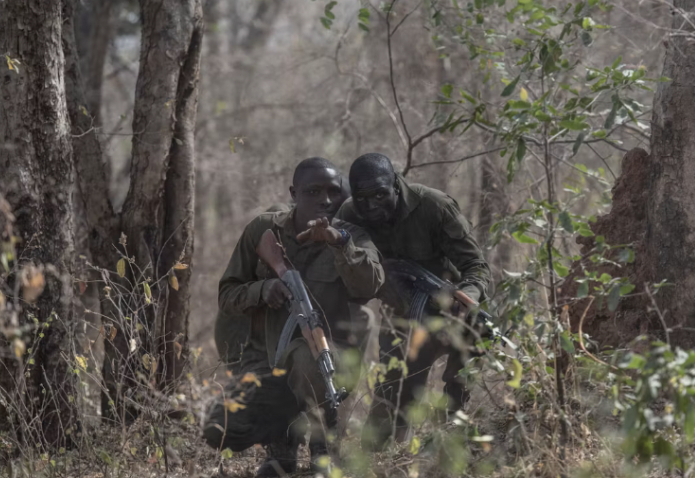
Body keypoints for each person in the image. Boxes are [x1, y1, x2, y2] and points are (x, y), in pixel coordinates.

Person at [203, 157, 384, 477]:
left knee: (306, 357)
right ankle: (282, 447)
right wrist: (263, 289)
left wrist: (340, 244)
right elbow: (227, 295)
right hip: (267, 360)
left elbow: (369, 285)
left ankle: (323, 449)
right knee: (220, 428)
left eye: (333, 191)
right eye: (313, 191)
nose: (325, 200)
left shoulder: (352, 236)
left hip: (329, 356)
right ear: (294, 193)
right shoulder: (264, 229)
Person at [336, 153, 492, 451]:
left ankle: (449, 450)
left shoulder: (434, 206)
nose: (371, 206)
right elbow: (351, 284)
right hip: (401, 316)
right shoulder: (349, 215)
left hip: (452, 311)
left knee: (456, 398)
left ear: (396, 184)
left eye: (380, 194)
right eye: (362, 198)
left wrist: (467, 298)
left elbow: (476, 266)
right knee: (388, 409)